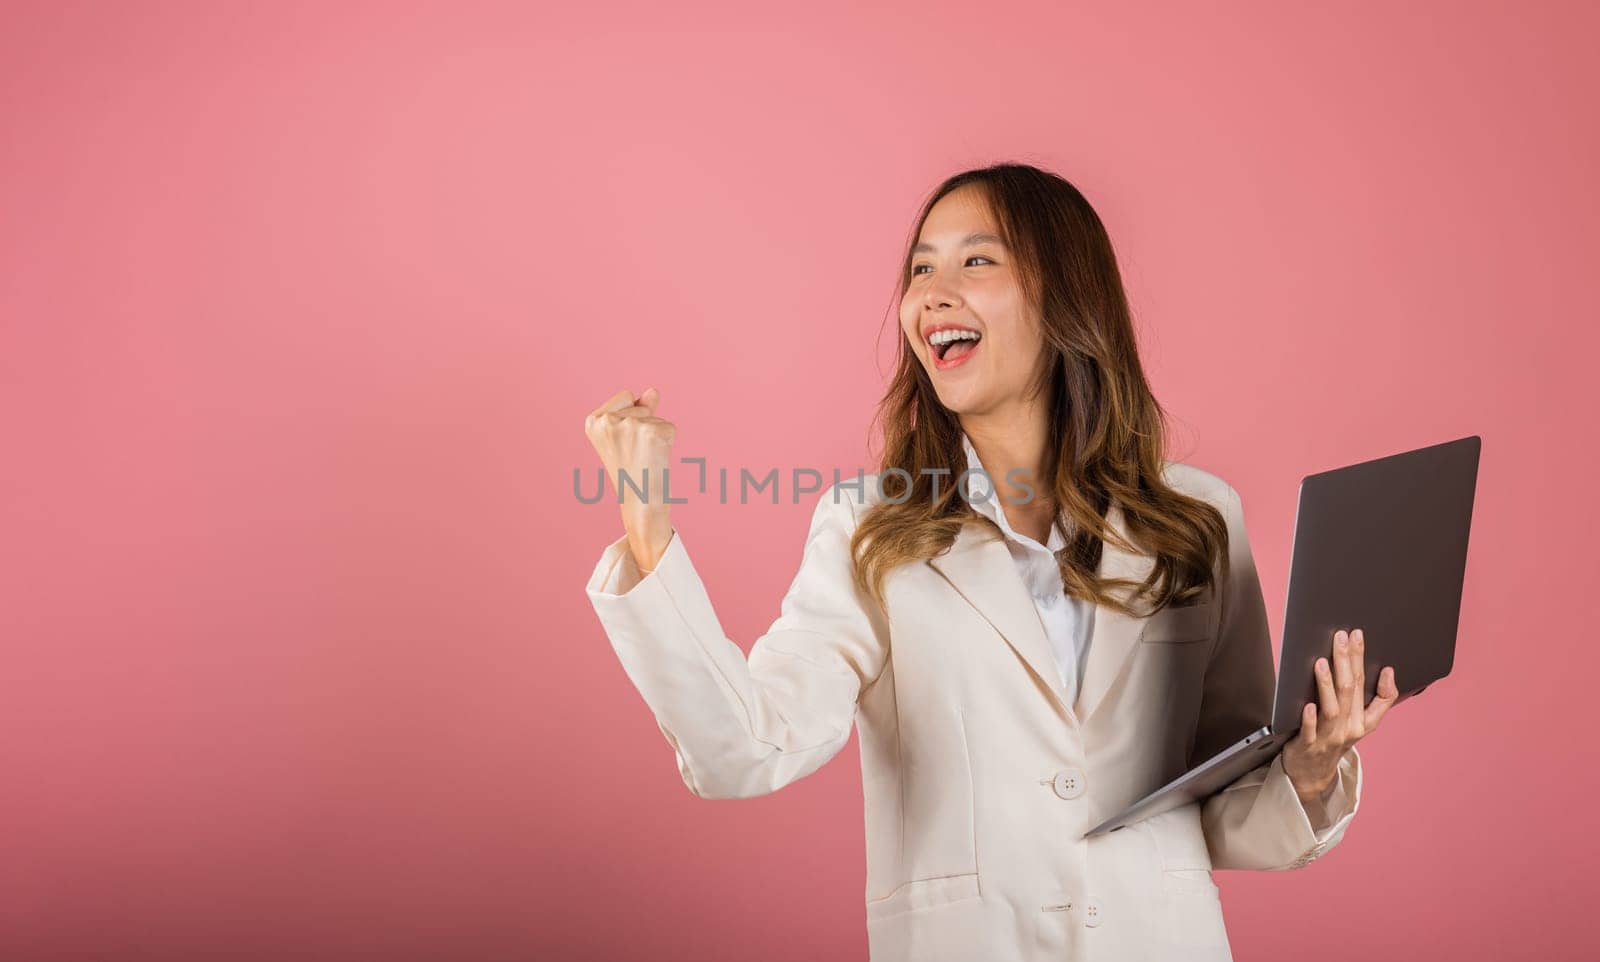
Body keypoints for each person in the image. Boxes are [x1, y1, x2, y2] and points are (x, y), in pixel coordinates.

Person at [582, 162, 1400, 961]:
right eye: (919, 269)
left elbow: (1217, 810)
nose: (932, 293)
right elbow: (744, 749)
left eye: (976, 260)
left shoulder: (1198, 520)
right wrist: (646, 522)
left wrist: (1314, 763)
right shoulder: (869, 526)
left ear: (1065, 297)